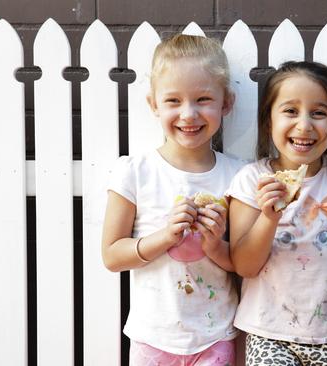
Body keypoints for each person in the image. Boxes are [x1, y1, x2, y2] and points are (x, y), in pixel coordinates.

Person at [101, 34, 243, 366]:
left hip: (215, 336)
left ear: (226, 103)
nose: (189, 114)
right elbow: (112, 256)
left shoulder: (238, 176)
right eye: (173, 101)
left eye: (204, 98)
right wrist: (165, 236)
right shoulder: (135, 172)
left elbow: (244, 263)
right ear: (153, 104)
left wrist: (214, 244)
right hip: (153, 337)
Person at [227, 61, 327, 366]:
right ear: (269, 121)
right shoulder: (251, 180)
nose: (305, 125)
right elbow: (243, 265)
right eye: (290, 111)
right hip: (268, 329)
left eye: (319, 113)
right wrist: (269, 217)